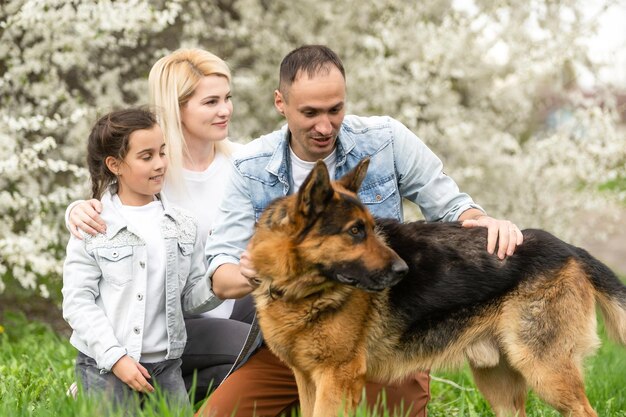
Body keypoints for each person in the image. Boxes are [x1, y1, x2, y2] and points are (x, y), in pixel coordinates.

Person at [197, 45, 524, 417]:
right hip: (290, 337)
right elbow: (220, 268)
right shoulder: (251, 165)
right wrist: (248, 272)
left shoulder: (385, 139)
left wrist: (484, 222)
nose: (325, 126)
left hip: (382, 340)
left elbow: (452, 206)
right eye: (310, 113)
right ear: (280, 103)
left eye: (335, 109)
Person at [65, 49, 255, 400]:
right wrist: (76, 210)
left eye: (227, 98)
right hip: (175, 324)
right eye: (211, 101)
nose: (225, 110)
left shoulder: (244, 163)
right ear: (177, 107)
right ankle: (103, 379)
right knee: (249, 349)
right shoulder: (152, 174)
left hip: (228, 302)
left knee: (269, 334)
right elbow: (105, 210)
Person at [62, 108, 223, 413]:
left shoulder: (183, 225)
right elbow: (77, 301)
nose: (160, 164)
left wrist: (219, 283)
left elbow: (189, 299)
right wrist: (116, 358)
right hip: (105, 364)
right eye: (146, 156)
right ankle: (82, 387)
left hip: (165, 365)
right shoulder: (93, 224)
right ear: (115, 164)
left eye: (162, 152)